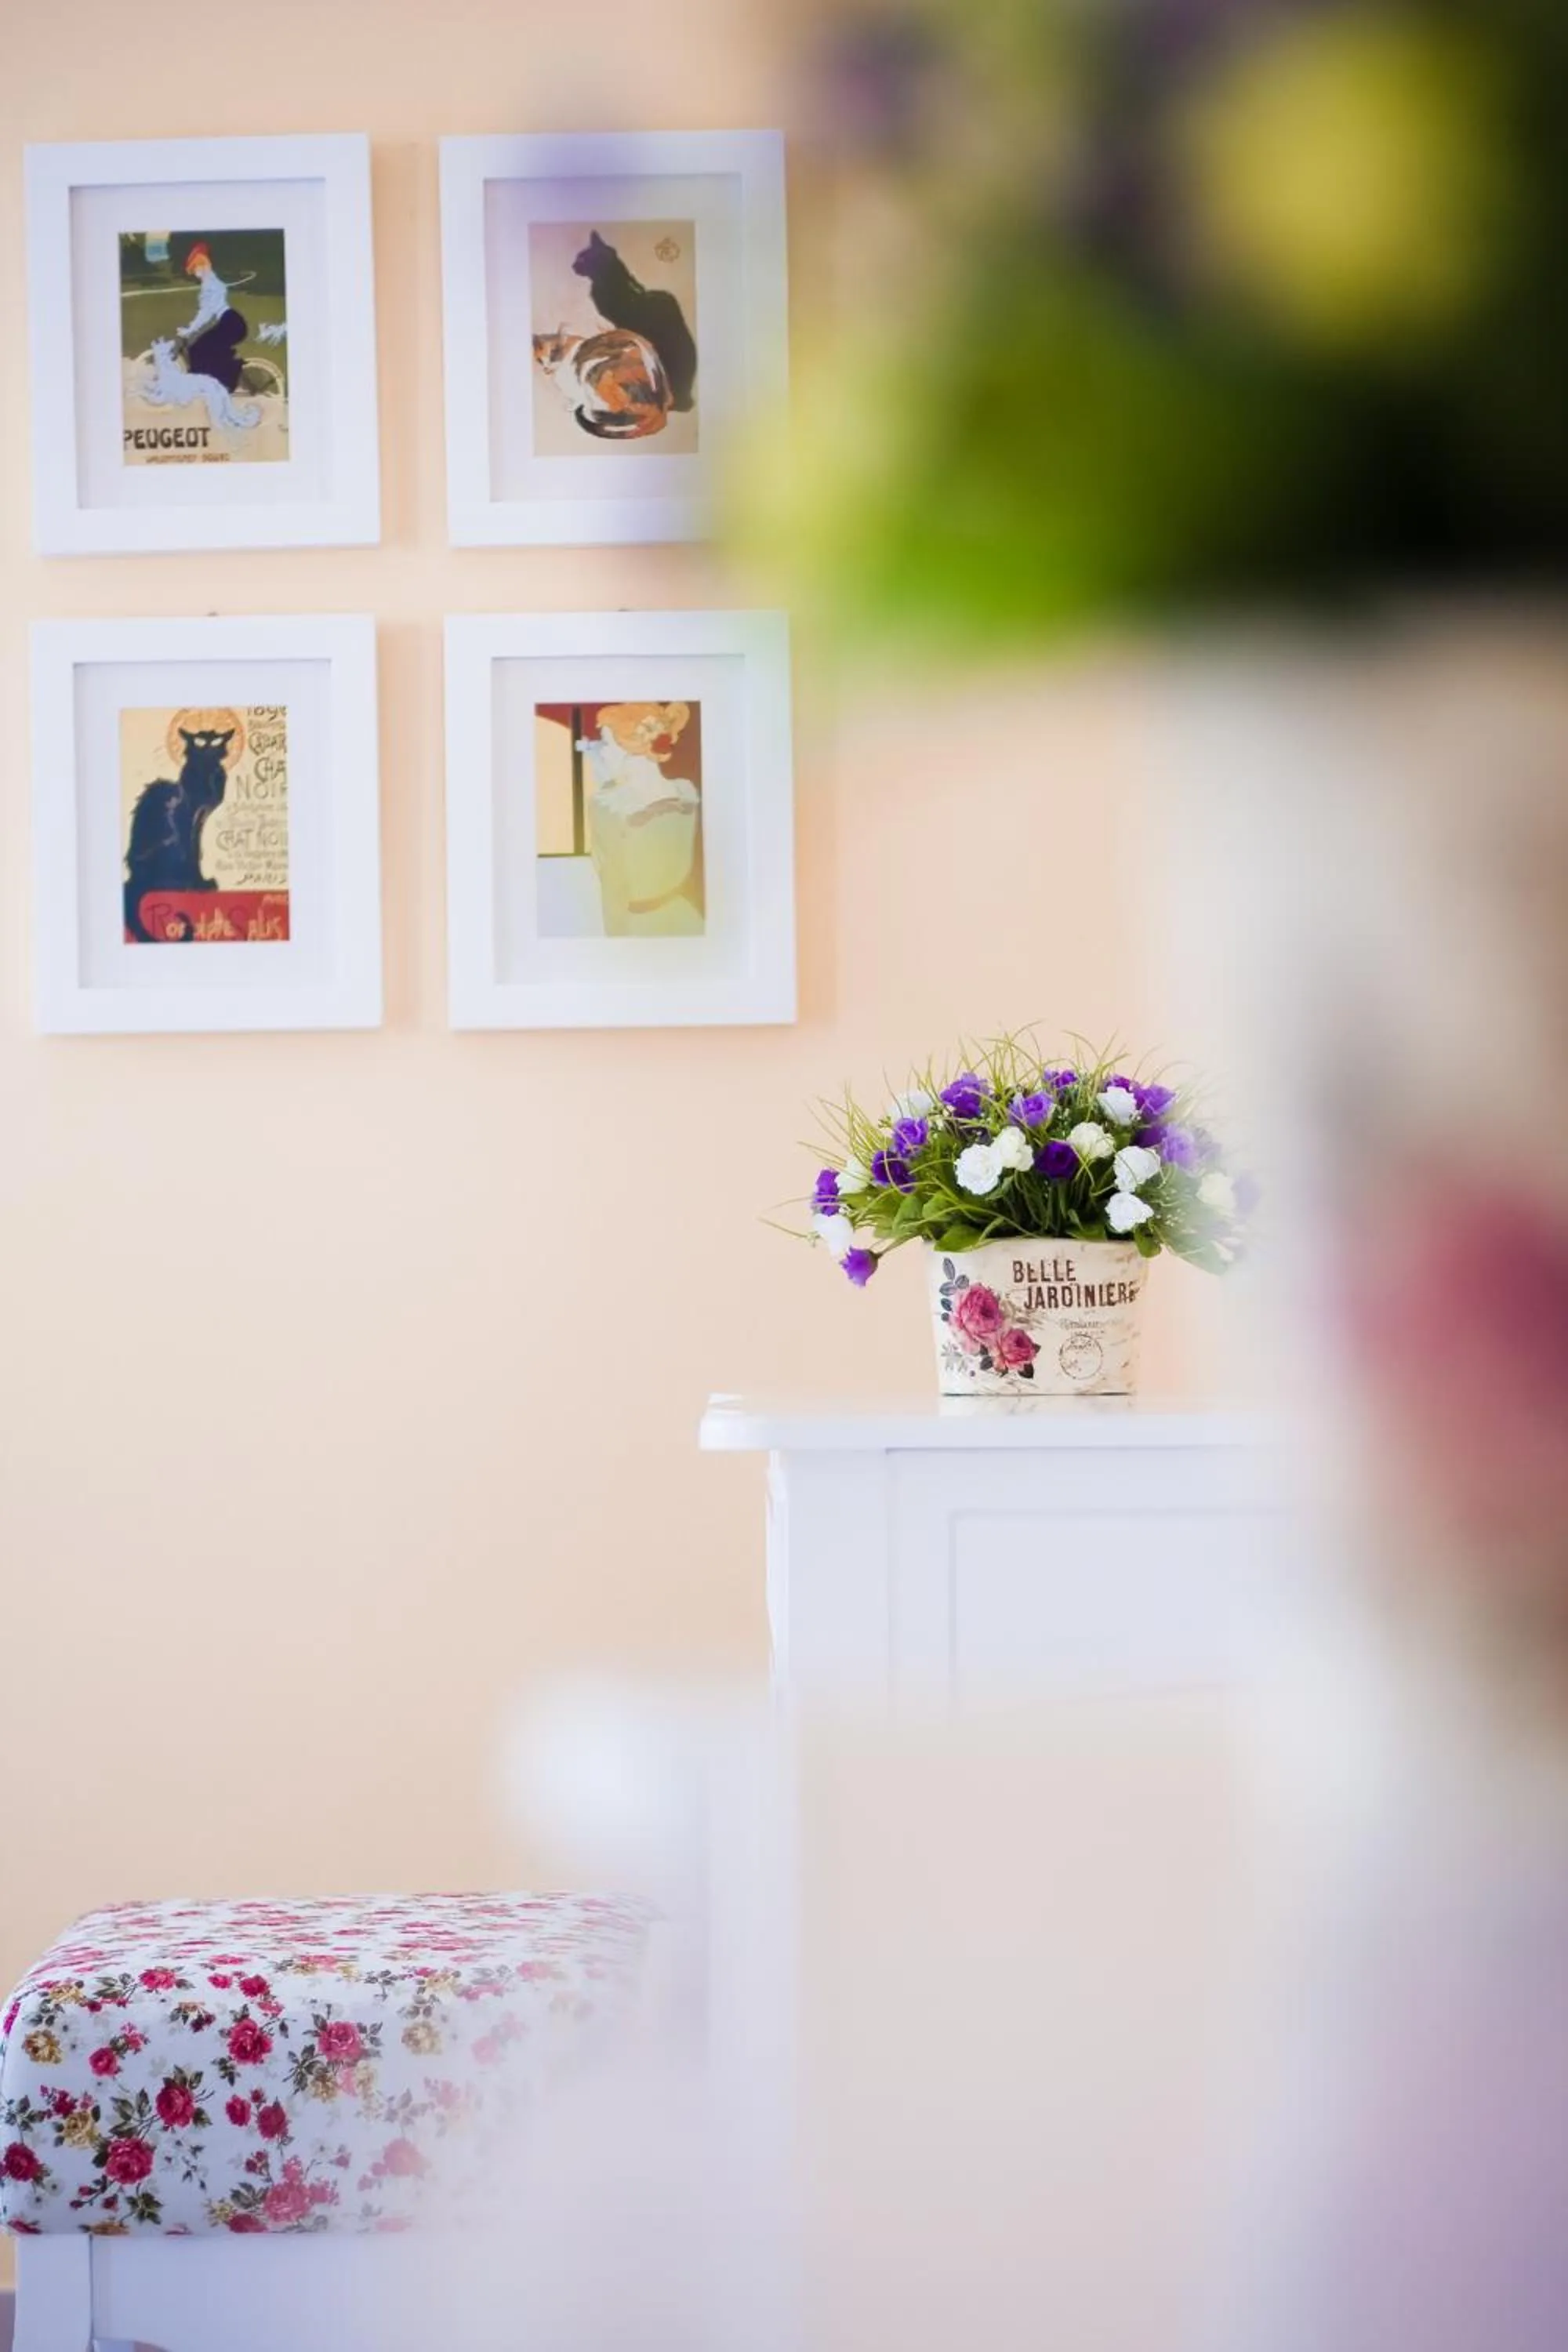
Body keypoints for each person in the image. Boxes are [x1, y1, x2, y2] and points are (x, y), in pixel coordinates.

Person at [180, 244, 247, 392]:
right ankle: (213, 383)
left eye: (196, 268)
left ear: (203, 266)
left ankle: (229, 376)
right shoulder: (211, 283)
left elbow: (206, 312)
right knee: (204, 349)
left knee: (198, 349)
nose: (195, 273)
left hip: (231, 323)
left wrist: (190, 329)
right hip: (230, 321)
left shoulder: (210, 285)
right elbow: (206, 312)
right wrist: (191, 329)